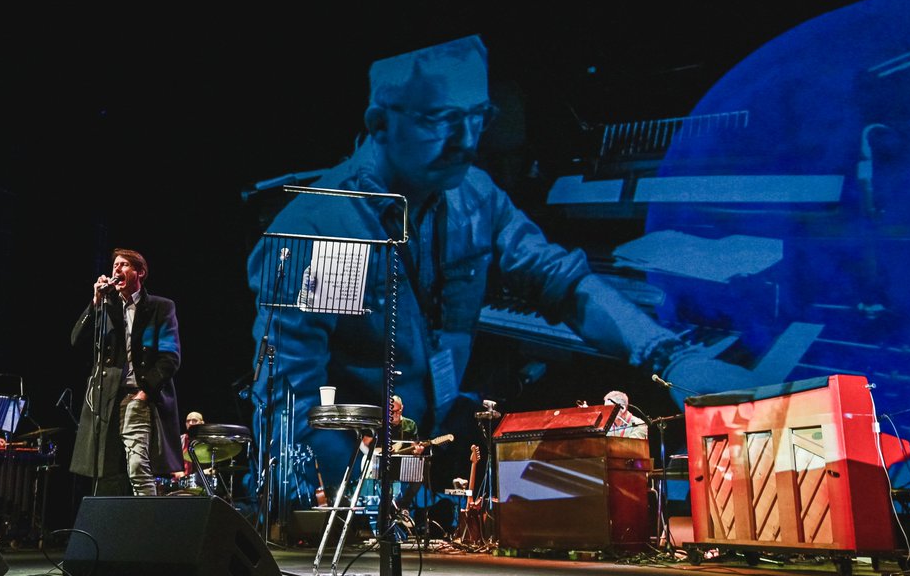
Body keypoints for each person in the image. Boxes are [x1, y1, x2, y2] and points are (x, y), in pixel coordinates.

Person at [247, 34, 753, 502]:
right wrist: (343, 503)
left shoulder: (474, 197)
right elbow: (294, 392)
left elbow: (560, 280)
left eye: (477, 117)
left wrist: (670, 357)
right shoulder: (336, 228)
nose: (465, 140)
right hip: (341, 478)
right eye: (439, 119)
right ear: (380, 123)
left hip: (414, 454)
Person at [70, 248, 181, 497]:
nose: (116, 269)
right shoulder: (106, 306)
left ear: (139, 272)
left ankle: (148, 526)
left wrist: (145, 392)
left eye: (124, 265)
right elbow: (77, 341)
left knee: (137, 466)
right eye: (115, 265)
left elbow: (170, 357)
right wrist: (96, 302)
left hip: (137, 395)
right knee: (104, 471)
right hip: (105, 398)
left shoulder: (160, 308)